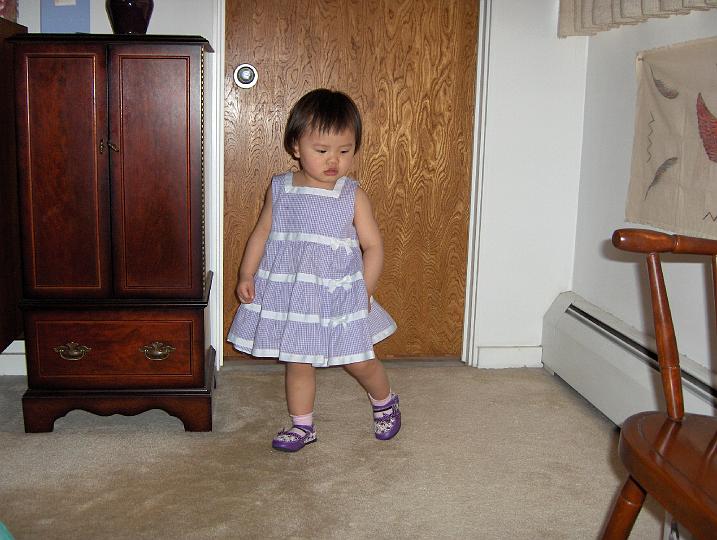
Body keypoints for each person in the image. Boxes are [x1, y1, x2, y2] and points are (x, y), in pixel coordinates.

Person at [227, 89, 400, 452]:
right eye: (321, 151)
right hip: (293, 294)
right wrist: (247, 274)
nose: (333, 160)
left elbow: (373, 246)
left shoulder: (351, 195)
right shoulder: (281, 188)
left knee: (359, 360)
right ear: (295, 146)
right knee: (298, 360)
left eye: (345, 151)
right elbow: (262, 232)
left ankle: (384, 401)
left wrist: (364, 290)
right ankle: (302, 425)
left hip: (339, 293)